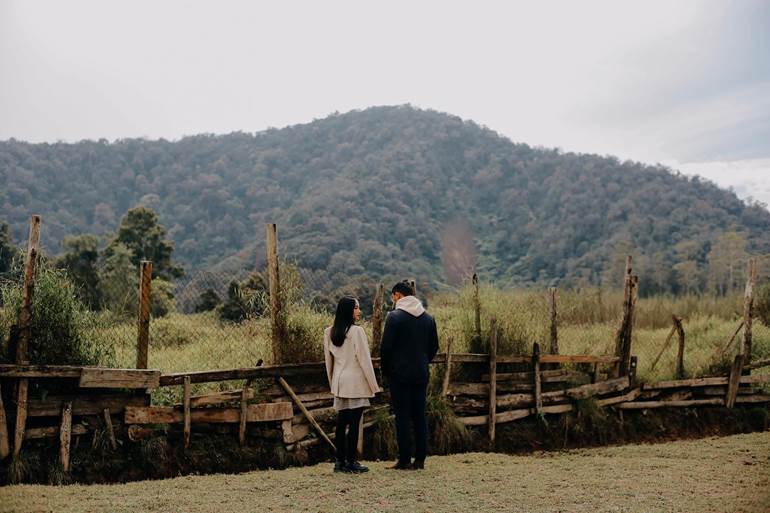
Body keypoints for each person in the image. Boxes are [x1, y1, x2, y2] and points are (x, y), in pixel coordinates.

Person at [380, 280, 439, 470]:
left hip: (399, 375)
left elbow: (386, 349)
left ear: (397, 295)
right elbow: (433, 347)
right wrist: (423, 362)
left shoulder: (394, 317)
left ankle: (404, 459)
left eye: (393, 297)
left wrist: (387, 371)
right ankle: (420, 459)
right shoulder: (428, 318)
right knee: (419, 416)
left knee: (402, 417)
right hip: (421, 374)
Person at [324, 296, 380, 473]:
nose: (359, 311)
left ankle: (339, 462)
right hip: (355, 382)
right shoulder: (357, 332)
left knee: (341, 423)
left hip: (340, 382)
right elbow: (365, 361)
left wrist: (333, 382)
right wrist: (374, 385)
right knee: (355, 423)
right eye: (356, 308)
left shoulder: (329, 332)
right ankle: (351, 461)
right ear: (349, 310)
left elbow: (328, 363)